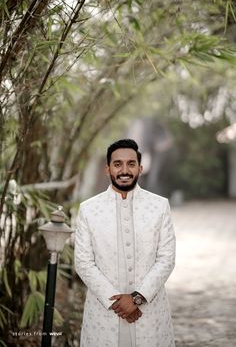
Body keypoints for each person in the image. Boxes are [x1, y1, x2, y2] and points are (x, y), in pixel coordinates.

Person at [74, 139, 176, 347]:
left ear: (140, 168)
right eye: (117, 164)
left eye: (131, 164)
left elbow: (166, 259)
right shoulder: (88, 210)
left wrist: (137, 298)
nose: (124, 170)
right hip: (103, 314)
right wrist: (119, 303)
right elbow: (84, 263)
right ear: (107, 168)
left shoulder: (159, 206)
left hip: (150, 313)